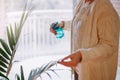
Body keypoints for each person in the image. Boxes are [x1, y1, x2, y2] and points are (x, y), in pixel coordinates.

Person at [50, 0, 120, 80]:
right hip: (79, 68)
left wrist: (81, 55)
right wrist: (61, 25)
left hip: (94, 72)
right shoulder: (83, 2)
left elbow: (109, 46)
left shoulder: (105, 9)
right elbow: (80, 24)